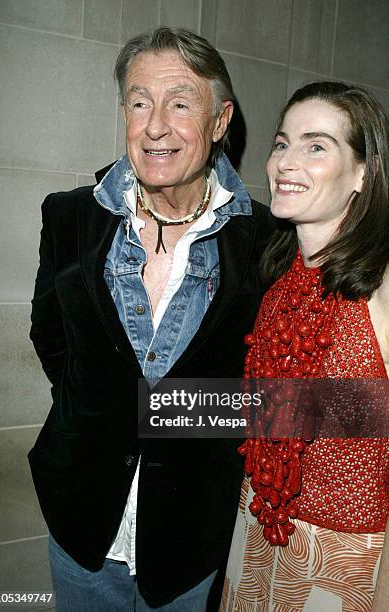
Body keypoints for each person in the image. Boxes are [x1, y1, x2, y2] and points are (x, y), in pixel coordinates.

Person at [28, 27, 273, 611]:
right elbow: (51, 340)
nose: (155, 125)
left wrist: (163, 413)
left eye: (180, 103)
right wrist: (102, 411)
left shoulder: (270, 241)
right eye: (140, 103)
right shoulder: (68, 218)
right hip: (81, 527)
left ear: (220, 121)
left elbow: (284, 395)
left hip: (191, 542)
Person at [221, 82, 389, 611]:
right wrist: (158, 411)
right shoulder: (280, 282)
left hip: (342, 565)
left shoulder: (382, 288)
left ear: (362, 173)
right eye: (281, 142)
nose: (286, 162)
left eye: (317, 146)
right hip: (253, 537)